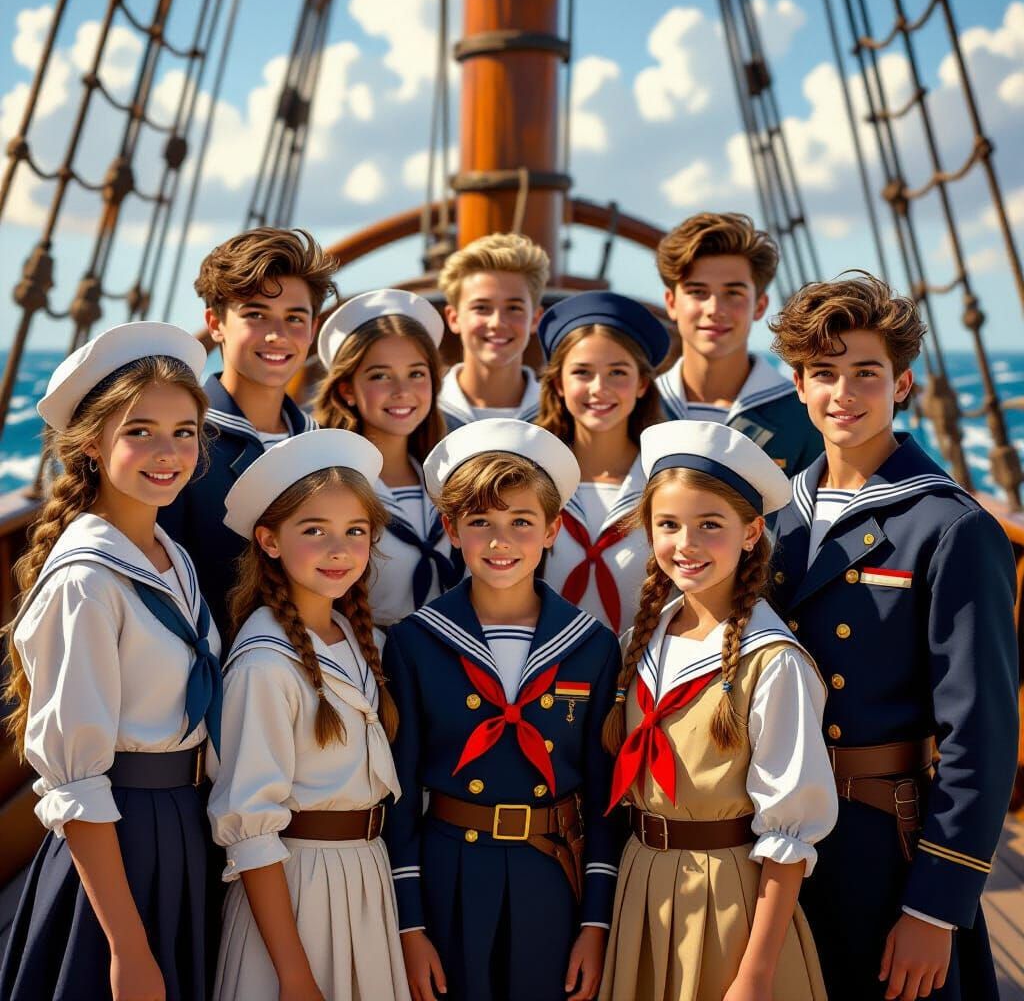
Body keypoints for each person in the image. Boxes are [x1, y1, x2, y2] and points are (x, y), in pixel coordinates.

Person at [768, 273, 1019, 1001]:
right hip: (777, 840)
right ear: (799, 384)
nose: (843, 393)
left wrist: (936, 905)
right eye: (824, 373)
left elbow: (980, 734)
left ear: (903, 383)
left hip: (885, 843)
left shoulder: (951, 528)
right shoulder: (777, 520)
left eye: (865, 373)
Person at [0, 323, 221, 1001]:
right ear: (92, 443)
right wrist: (126, 947)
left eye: (185, 431)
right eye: (141, 431)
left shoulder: (168, 557)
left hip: (183, 825)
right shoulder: (87, 582)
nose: (169, 452)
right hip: (120, 841)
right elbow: (78, 781)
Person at [383, 419, 623, 1001]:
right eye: (480, 524)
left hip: (551, 873)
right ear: (450, 529)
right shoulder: (417, 641)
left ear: (552, 531)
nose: (500, 541)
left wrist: (596, 922)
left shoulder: (591, 645)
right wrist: (410, 925)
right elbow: (398, 790)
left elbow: (604, 797)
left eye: (521, 522)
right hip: (450, 871)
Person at [600, 419, 837, 1001]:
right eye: (669, 525)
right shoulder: (641, 637)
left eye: (711, 525)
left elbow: (790, 833)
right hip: (641, 885)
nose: (688, 544)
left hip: (728, 898)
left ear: (753, 531)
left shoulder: (773, 661)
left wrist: (755, 975)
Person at [209, 428, 409, 1001]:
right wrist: (294, 976)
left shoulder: (346, 631)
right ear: (269, 541)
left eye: (355, 532)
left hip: (362, 879)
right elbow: (250, 826)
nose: (338, 549)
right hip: (299, 892)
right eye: (313, 531)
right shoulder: (264, 663)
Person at [160, 226, 337, 633]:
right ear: (215, 323)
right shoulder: (180, 444)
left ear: (312, 328)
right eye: (256, 315)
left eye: (295, 318)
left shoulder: (325, 449)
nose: (277, 335)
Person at [313, 289, 459, 626]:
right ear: (347, 389)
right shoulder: (326, 485)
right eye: (380, 375)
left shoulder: (449, 480)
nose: (402, 391)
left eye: (416, 374)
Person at [535, 291, 667, 633]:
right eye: (582, 372)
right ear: (558, 384)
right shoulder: (529, 476)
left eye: (617, 372)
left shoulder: (666, 480)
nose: (599, 388)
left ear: (641, 384)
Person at [654, 212, 822, 475]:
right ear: (671, 303)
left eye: (733, 293)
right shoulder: (635, 408)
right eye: (697, 291)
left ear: (760, 305)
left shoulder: (806, 418)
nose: (714, 308)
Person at [437, 232, 549, 430]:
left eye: (514, 308)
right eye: (481, 308)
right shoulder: (423, 412)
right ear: (453, 318)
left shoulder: (560, 416)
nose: (497, 322)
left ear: (535, 319)